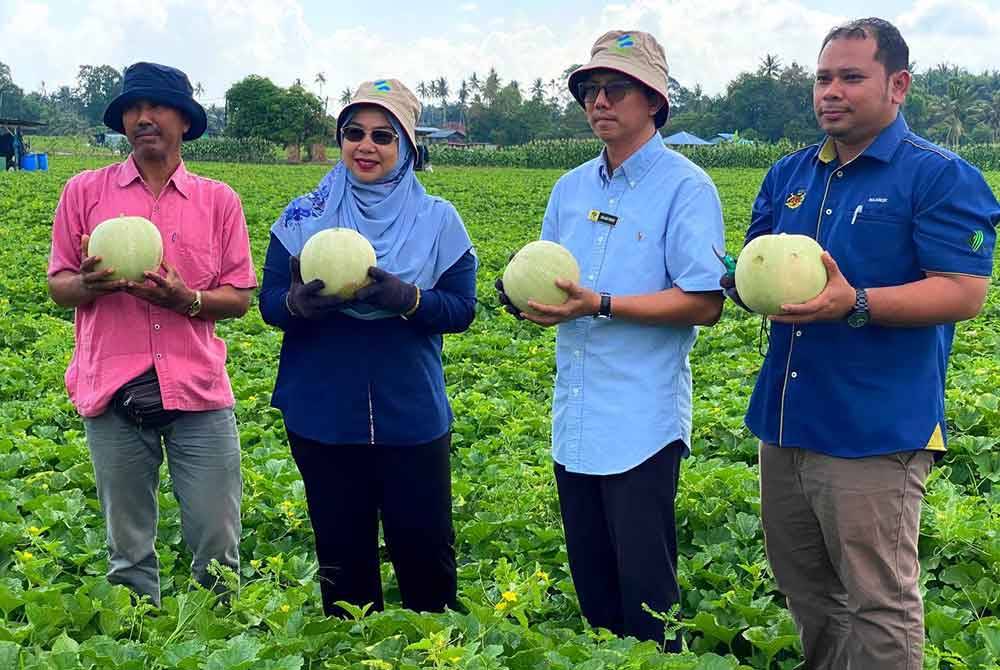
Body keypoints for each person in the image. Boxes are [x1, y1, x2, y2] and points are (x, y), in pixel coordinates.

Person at [725, 18, 999, 669]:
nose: (832, 92)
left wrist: (857, 302)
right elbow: (754, 270)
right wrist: (737, 284)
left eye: (852, 77)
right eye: (824, 78)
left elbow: (963, 292)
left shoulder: (938, 176)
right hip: (785, 423)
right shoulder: (789, 174)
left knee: (879, 601)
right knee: (809, 594)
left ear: (897, 85)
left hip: (875, 431)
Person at [497, 30, 725, 649]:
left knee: (649, 601)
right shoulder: (570, 189)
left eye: (615, 89)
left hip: (641, 423)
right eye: (589, 91)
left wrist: (600, 304)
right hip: (576, 416)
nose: (600, 102)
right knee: (594, 592)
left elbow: (704, 302)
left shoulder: (686, 187)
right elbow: (550, 275)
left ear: (653, 100)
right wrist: (524, 301)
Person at [259, 79, 477, 617]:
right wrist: (296, 306)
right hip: (322, 412)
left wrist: (410, 299)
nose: (366, 145)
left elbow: (462, 309)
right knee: (342, 558)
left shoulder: (439, 220)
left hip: (412, 412)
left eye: (384, 136)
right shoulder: (305, 216)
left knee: (426, 555)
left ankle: (433, 651)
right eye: (353, 132)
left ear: (406, 147)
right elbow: (267, 301)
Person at [47, 62, 257, 606]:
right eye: (133, 110)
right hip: (113, 386)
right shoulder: (83, 192)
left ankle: (222, 637)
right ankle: (139, 640)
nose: (144, 118)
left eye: (157, 107)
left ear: (184, 121)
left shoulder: (219, 201)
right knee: (128, 548)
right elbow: (60, 285)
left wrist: (186, 299)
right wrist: (89, 284)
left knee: (217, 540)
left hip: (198, 389)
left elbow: (237, 297)